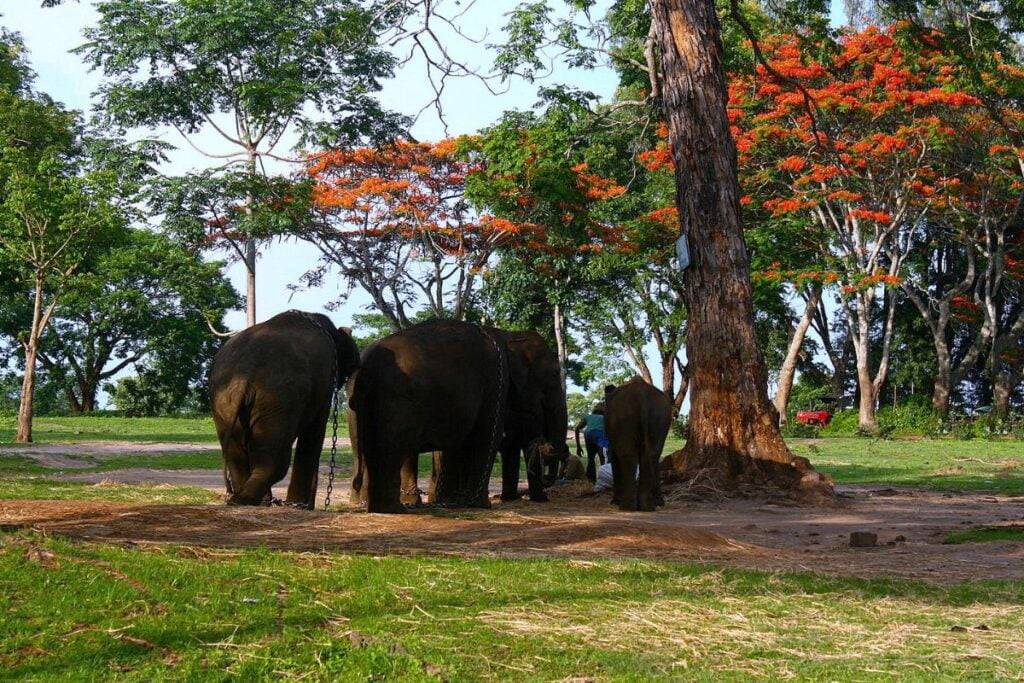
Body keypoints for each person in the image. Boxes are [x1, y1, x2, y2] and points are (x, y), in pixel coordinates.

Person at [574, 402, 609, 482]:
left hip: (588, 435)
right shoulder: (605, 418)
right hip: (599, 434)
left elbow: (577, 429)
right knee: (603, 457)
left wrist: (578, 446)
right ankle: (605, 479)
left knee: (591, 458)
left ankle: (590, 481)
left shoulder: (588, 417)